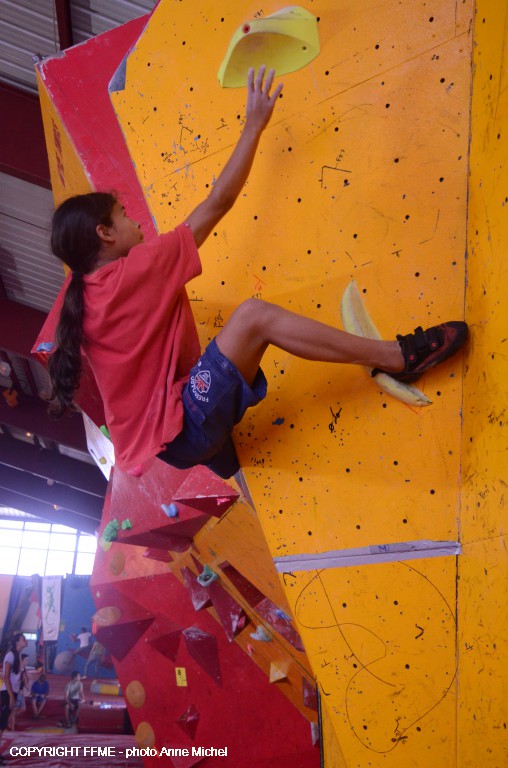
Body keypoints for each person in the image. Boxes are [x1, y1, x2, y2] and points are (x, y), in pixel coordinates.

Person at [47, 67, 468, 480]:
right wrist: (254, 125)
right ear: (104, 234)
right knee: (253, 318)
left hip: (169, 444)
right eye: (123, 216)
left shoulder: (83, 296)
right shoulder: (131, 275)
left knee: (209, 363)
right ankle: (394, 358)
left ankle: (219, 453)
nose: (135, 221)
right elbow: (218, 202)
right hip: (186, 428)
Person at [0, 633, 28, 762]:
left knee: (3, 723)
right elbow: (6, 676)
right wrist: (11, 696)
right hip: (7, 692)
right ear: (17, 642)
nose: (25, 640)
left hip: (13, 692)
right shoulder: (10, 655)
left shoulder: (18, 656)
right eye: (23, 639)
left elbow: (17, 677)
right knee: (1, 723)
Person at [7, 653, 29, 731]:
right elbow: (14, 681)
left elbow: (25, 681)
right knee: (14, 710)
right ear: (21, 661)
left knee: (23, 709)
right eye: (26, 660)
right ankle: (12, 728)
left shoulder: (24, 669)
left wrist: (27, 688)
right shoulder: (17, 669)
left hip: (20, 692)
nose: (27, 661)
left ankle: (9, 719)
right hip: (16, 692)